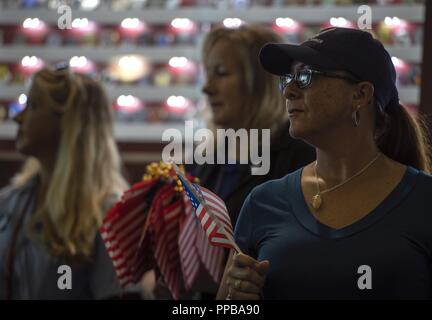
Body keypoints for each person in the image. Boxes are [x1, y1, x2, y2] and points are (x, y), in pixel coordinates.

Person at [217, 27, 432, 300]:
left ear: (360, 95)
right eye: (287, 79)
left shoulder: (424, 200)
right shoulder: (262, 202)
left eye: (306, 77)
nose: (289, 92)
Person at [0, 66, 129, 299]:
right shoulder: (11, 201)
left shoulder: (110, 213)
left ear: (68, 123)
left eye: (32, 106)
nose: (18, 117)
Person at [196, 24, 315, 227]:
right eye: (208, 74)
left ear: (261, 83)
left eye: (222, 73)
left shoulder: (298, 158)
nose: (207, 88)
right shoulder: (208, 160)